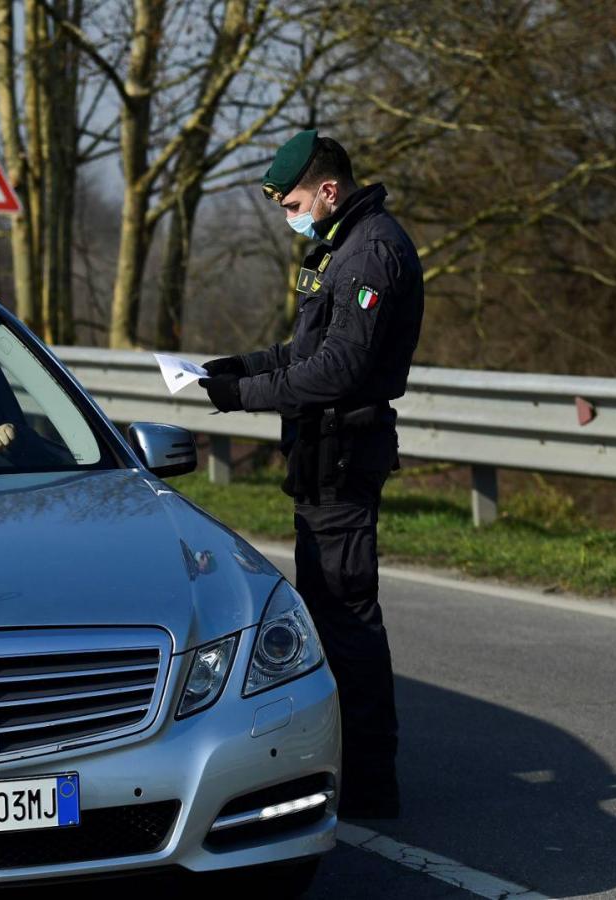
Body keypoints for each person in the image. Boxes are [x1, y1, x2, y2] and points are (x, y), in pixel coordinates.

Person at [197, 130, 423, 820]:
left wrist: (245, 398)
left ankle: (370, 783)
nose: (290, 213)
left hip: (344, 457)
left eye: (294, 201)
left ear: (329, 188)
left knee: (347, 619)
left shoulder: (370, 252)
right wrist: (240, 367)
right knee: (330, 614)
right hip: (322, 456)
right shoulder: (340, 246)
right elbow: (304, 351)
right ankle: (352, 771)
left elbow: (337, 372)